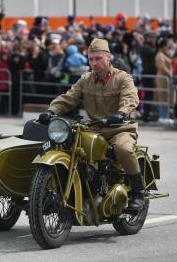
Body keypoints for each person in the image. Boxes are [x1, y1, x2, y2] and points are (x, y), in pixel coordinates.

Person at [38, 38, 145, 211]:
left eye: (98, 58)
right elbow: (69, 97)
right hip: (93, 128)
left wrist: (121, 113)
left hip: (119, 129)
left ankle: (139, 193)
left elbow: (130, 98)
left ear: (108, 57)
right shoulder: (85, 79)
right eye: (91, 59)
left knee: (124, 149)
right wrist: (51, 111)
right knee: (66, 148)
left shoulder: (122, 78)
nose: (94, 63)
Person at [155, 36, 175, 123]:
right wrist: (170, 73)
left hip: (166, 77)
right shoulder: (159, 55)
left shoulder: (164, 54)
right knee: (162, 96)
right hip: (162, 78)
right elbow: (162, 67)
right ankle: (162, 116)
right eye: (167, 45)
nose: (168, 47)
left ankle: (166, 116)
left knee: (168, 97)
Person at [139, 31, 157, 122]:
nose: (154, 39)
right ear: (147, 38)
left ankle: (148, 114)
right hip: (147, 73)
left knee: (150, 95)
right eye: (152, 38)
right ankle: (145, 115)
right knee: (148, 95)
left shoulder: (149, 47)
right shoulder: (145, 47)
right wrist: (158, 46)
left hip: (150, 73)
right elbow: (153, 53)